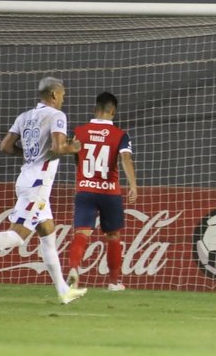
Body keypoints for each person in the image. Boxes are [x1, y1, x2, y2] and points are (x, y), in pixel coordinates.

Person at [0, 77, 88, 305]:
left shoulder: (25, 116)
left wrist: (30, 156)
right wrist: (72, 147)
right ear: (54, 94)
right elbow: (57, 147)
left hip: (27, 178)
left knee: (48, 236)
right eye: (62, 94)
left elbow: (5, 146)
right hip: (37, 185)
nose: (63, 98)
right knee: (18, 236)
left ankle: (63, 290)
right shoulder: (56, 116)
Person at [66, 91, 138, 291]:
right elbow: (125, 159)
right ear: (113, 111)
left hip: (85, 190)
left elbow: (75, 156)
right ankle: (114, 282)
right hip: (110, 192)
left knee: (82, 233)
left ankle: (73, 269)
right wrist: (133, 185)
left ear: (94, 109)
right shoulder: (121, 135)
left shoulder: (79, 131)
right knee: (113, 236)